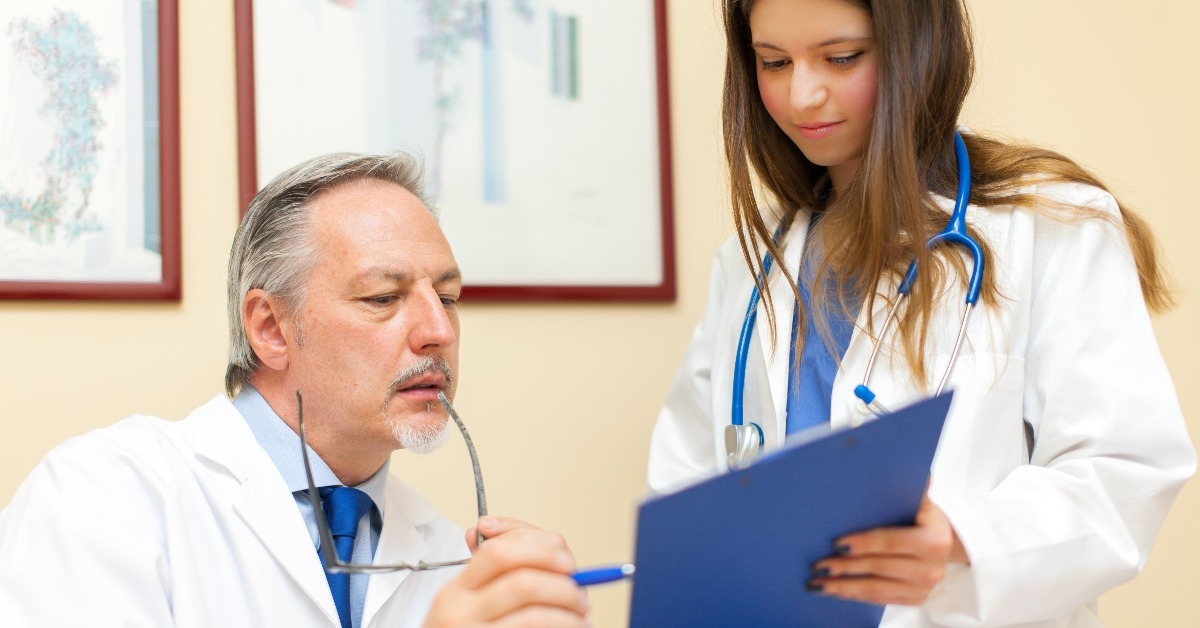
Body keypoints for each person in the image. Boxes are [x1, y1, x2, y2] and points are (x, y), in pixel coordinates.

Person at [646, 0, 1195, 625]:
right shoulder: (750, 264)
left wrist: (962, 536)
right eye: (773, 63)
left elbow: (1125, 471)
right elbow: (685, 490)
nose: (802, 95)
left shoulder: (1052, 228)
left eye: (842, 57)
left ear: (917, 50)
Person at [0, 153, 590, 628]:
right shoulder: (102, 497)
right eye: (383, 298)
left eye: (449, 298)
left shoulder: (455, 558)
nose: (439, 331)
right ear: (270, 329)